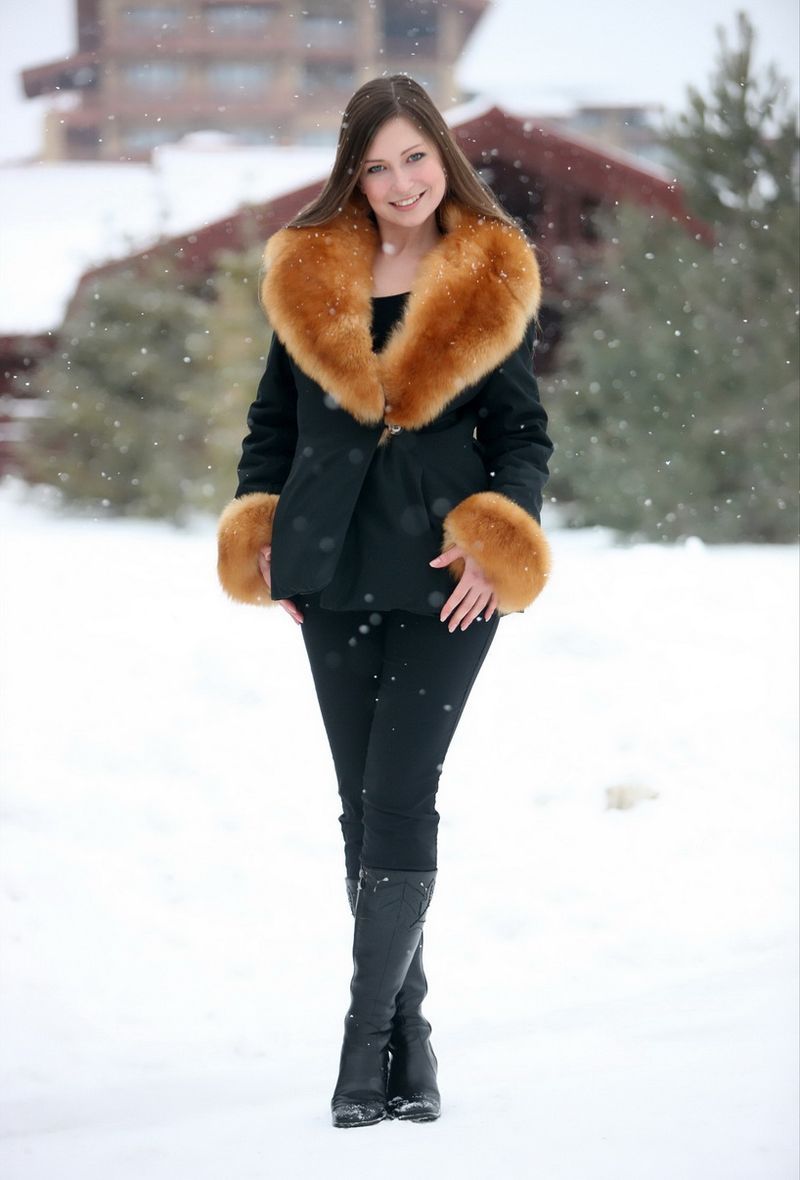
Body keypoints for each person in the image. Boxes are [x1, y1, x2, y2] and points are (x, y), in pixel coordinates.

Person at [216, 74, 554, 1129]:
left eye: (415, 158)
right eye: (378, 164)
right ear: (351, 175)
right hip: (329, 567)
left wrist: (501, 542)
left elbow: (521, 436)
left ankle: (363, 1040)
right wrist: (260, 524)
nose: (400, 182)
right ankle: (409, 1028)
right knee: (360, 803)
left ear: (440, 159)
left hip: (449, 576)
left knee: (399, 791)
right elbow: (271, 423)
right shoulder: (308, 269)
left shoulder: (489, 268)